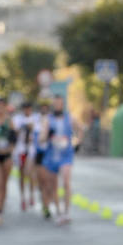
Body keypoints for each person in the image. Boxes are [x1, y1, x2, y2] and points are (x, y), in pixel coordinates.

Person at [41, 94, 78, 225]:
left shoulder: (70, 118)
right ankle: (58, 212)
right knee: (53, 185)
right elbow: (41, 138)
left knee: (66, 182)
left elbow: (80, 130)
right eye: (55, 103)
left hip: (66, 155)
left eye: (60, 103)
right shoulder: (48, 119)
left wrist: (77, 143)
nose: (58, 105)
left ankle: (67, 211)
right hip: (52, 156)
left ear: (63, 104)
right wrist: (48, 135)